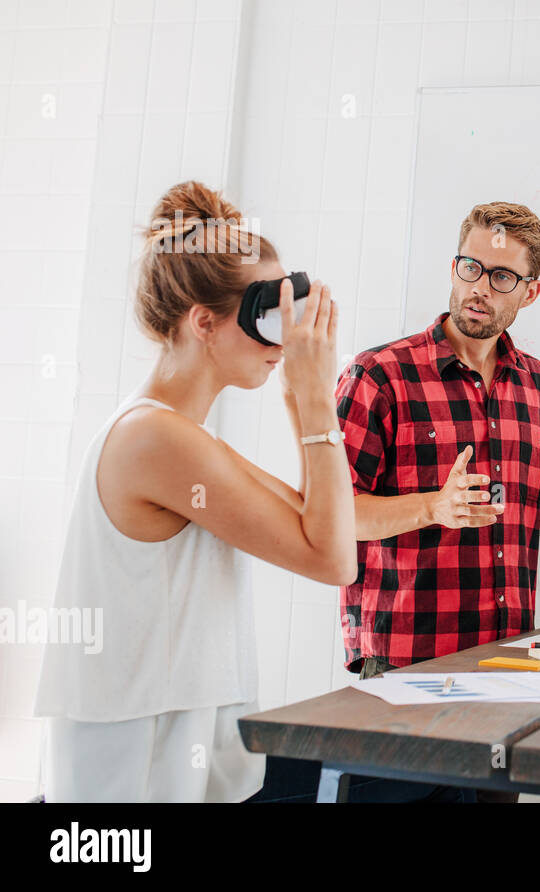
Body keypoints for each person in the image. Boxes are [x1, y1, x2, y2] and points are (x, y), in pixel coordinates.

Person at [34, 182, 356, 802]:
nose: (282, 339)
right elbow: (333, 558)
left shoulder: (174, 433)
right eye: (267, 318)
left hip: (174, 758)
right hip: (131, 776)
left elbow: (321, 522)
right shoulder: (152, 438)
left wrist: (297, 400)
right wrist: (315, 394)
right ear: (204, 322)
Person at [331, 202, 540, 799]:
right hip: (408, 670)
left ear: (530, 292)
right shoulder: (379, 375)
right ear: (453, 265)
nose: (480, 288)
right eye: (470, 267)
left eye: (502, 276)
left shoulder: (535, 383)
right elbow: (330, 515)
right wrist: (433, 506)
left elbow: (529, 505)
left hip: (507, 668)